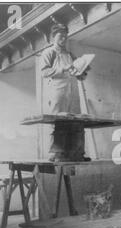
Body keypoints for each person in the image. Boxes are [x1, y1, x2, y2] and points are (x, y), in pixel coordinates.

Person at [39, 24, 89, 161]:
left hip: (73, 92)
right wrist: (64, 68)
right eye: (61, 36)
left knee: (77, 122)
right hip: (58, 92)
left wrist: (82, 72)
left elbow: (77, 74)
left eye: (65, 36)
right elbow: (44, 72)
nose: (64, 39)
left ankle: (78, 153)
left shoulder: (70, 54)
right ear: (53, 37)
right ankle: (56, 153)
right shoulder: (49, 52)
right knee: (59, 122)